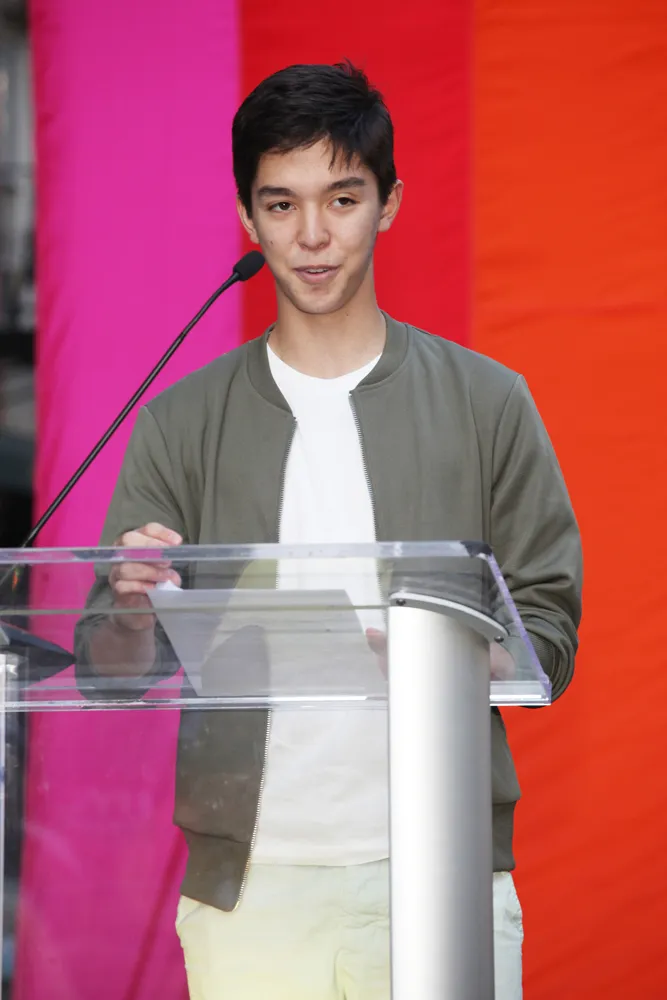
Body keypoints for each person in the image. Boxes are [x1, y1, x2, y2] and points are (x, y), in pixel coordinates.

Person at [75, 61, 582, 1000]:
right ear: (247, 216)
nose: (312, 236)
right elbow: (108, 672)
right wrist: (132, 611)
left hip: (443, 868)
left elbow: (548, 632)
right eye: (281, 204)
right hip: (250, 891)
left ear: (388, 204)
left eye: (342, 199)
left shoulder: (488, 403)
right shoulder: (180, 421)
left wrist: (444, 659)